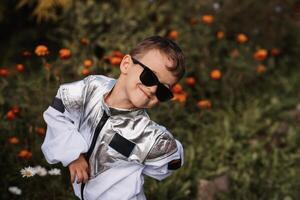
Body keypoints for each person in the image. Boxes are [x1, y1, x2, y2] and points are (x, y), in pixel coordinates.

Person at [41, 35, 185, 200]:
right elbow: (59, 111)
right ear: (126, 65)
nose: (153, 89)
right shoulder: (91, 88)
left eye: (163, 91)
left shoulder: (148, 135)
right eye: (149, 77)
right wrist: (74, 155)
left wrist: (150, 152)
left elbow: (173, 162)